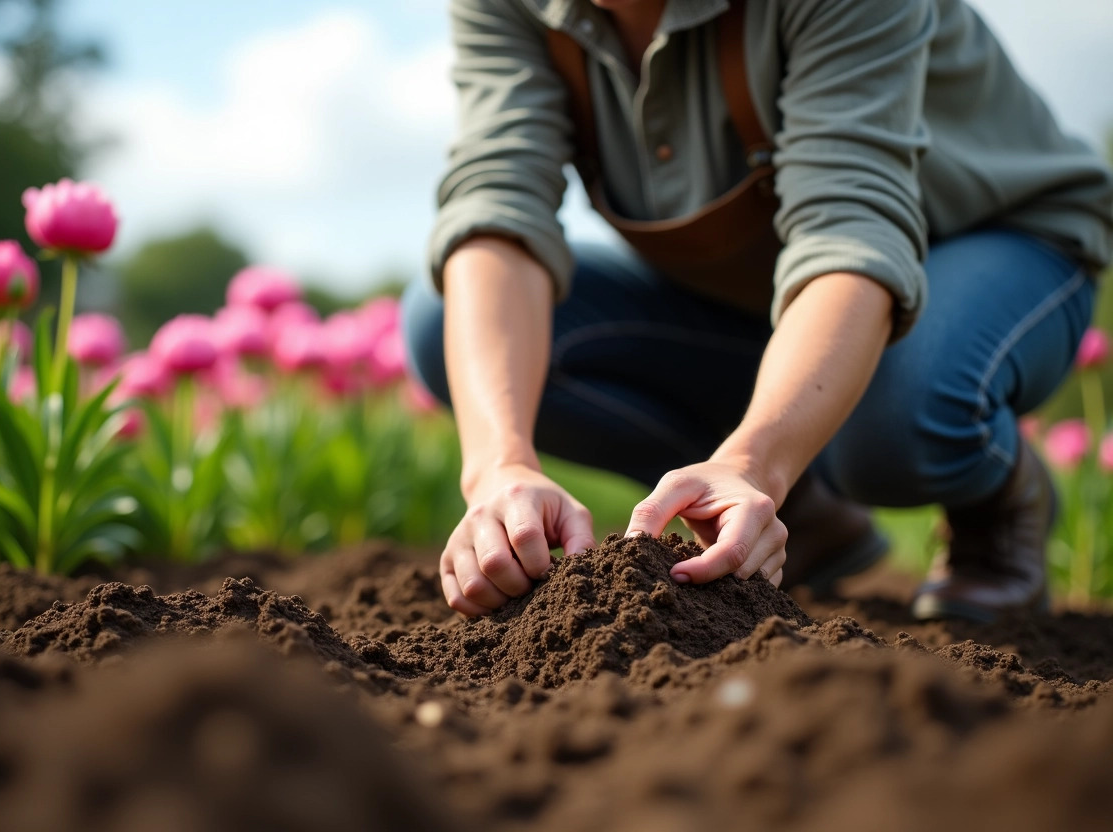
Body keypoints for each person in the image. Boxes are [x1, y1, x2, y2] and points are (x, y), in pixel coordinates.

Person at [402, 0, 1113, 622]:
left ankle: (999, 500)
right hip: (758, 295)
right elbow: (498, 201)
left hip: (993, 240)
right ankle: (799, 515)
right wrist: (497, 468)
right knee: (447, 324)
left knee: (892, 421)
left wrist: (755, 462)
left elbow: (847, 229)